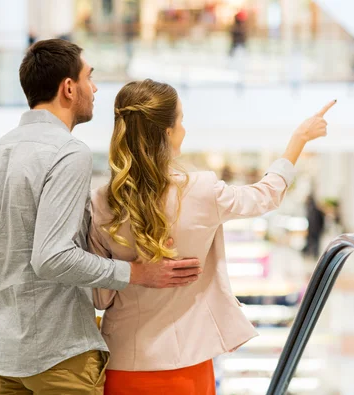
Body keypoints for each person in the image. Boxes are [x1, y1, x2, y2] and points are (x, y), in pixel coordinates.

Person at [0, 41, 202, 395]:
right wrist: (136, 272)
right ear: (68, 88)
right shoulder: (68, 153)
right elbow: (51, 257)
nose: (95, 88)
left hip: (6, 361)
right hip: (62, 358)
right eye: (89, 77)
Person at [89, 79, 335, 394]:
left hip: (124, 361)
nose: (185, 129)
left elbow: (101, 297)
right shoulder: (201, 190)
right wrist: (298, 140)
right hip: (187, 362)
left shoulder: (100, 201)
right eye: (181, 121)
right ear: (167, 131)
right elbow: (265, 195)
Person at [304, 194, 325, 258]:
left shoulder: (313, 210)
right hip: (313, 230)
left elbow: (321, 220)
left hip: (315, 230)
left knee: (314, 243)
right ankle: (311, 254)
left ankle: (314, 254)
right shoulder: (310, 209)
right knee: (312, 243)